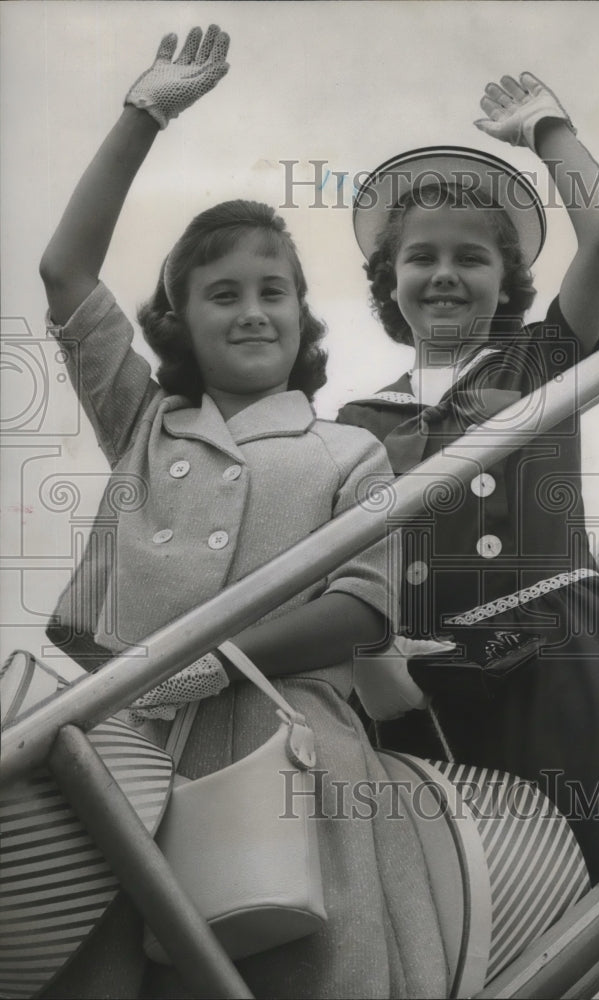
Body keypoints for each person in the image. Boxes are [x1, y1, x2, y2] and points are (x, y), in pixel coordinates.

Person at [39, 27, 448, 999]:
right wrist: (144, 114)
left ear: (305, 317)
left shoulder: (350, 448)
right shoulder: (145, 422)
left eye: (275, 292)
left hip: (290, 748)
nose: (254, 310)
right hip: (127, 755)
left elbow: (363, 612)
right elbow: (65, 272)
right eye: (222, 293)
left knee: (302, 969)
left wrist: (211, 651)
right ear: (178, 321)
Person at [338, 73, 599, 885]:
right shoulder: (357, 419)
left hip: (571, 657)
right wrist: (371, 661)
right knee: (527, 895)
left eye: (472, 257)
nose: (445, 275)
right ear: (389, 281)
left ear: (507, 278)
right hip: (440, 686)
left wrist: (548, 131)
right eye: (420, 257)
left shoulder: (540, 357)